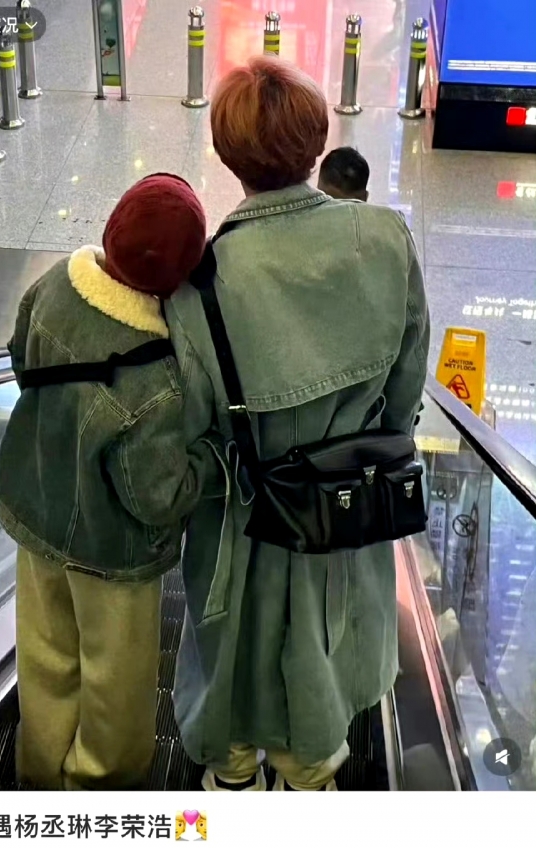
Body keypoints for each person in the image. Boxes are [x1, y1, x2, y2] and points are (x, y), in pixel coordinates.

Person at [165, 57, 430, 791]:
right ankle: (309, 772)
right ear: (317, 145)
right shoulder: (385, 239)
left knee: (232, 643)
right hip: (344, 506)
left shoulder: (201, 281)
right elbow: (408, 379)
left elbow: (191, 425)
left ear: (226, 153)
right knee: (326, 641)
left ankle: (233, 771)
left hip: (242, 516)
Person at [0, 174, 223, 790]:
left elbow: (19, 358)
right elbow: (157, 497)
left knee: (44, 656)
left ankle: (40, 771)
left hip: (34, 509)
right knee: (114, 683)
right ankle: (96, 789)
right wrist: (210, 461)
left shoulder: (52, 287)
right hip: (111, 553)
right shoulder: (155, 379)